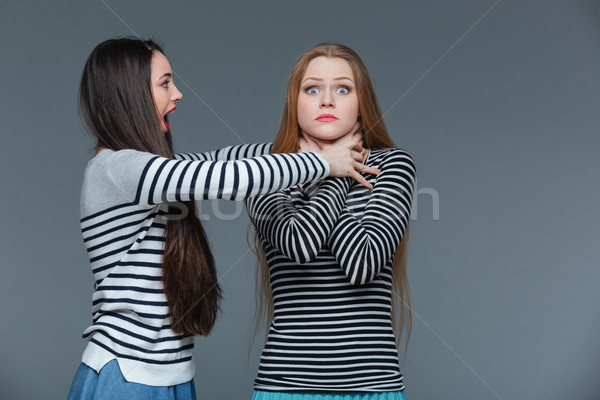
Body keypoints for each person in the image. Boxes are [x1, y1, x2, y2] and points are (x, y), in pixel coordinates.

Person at [68, 37, 378, 400]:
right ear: (129, 94)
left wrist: (310, 142)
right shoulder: (117, 168)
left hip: (170, 375)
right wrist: (326, 162)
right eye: (165, 82)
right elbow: (223, 178)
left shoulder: (151, 171)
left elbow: (223, 159)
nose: (178, 93)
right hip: (124, 376)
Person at [246, 43, 416, 400]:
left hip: (372, 387)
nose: (327, 100)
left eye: (342, 88)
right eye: (312, 89)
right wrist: (332, 168)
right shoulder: (266, 168)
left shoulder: (393, 166)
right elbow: (299, 244)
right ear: (296, 102)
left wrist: (336, 168)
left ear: (361, 102)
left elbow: (362, 264)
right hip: (286, 386)